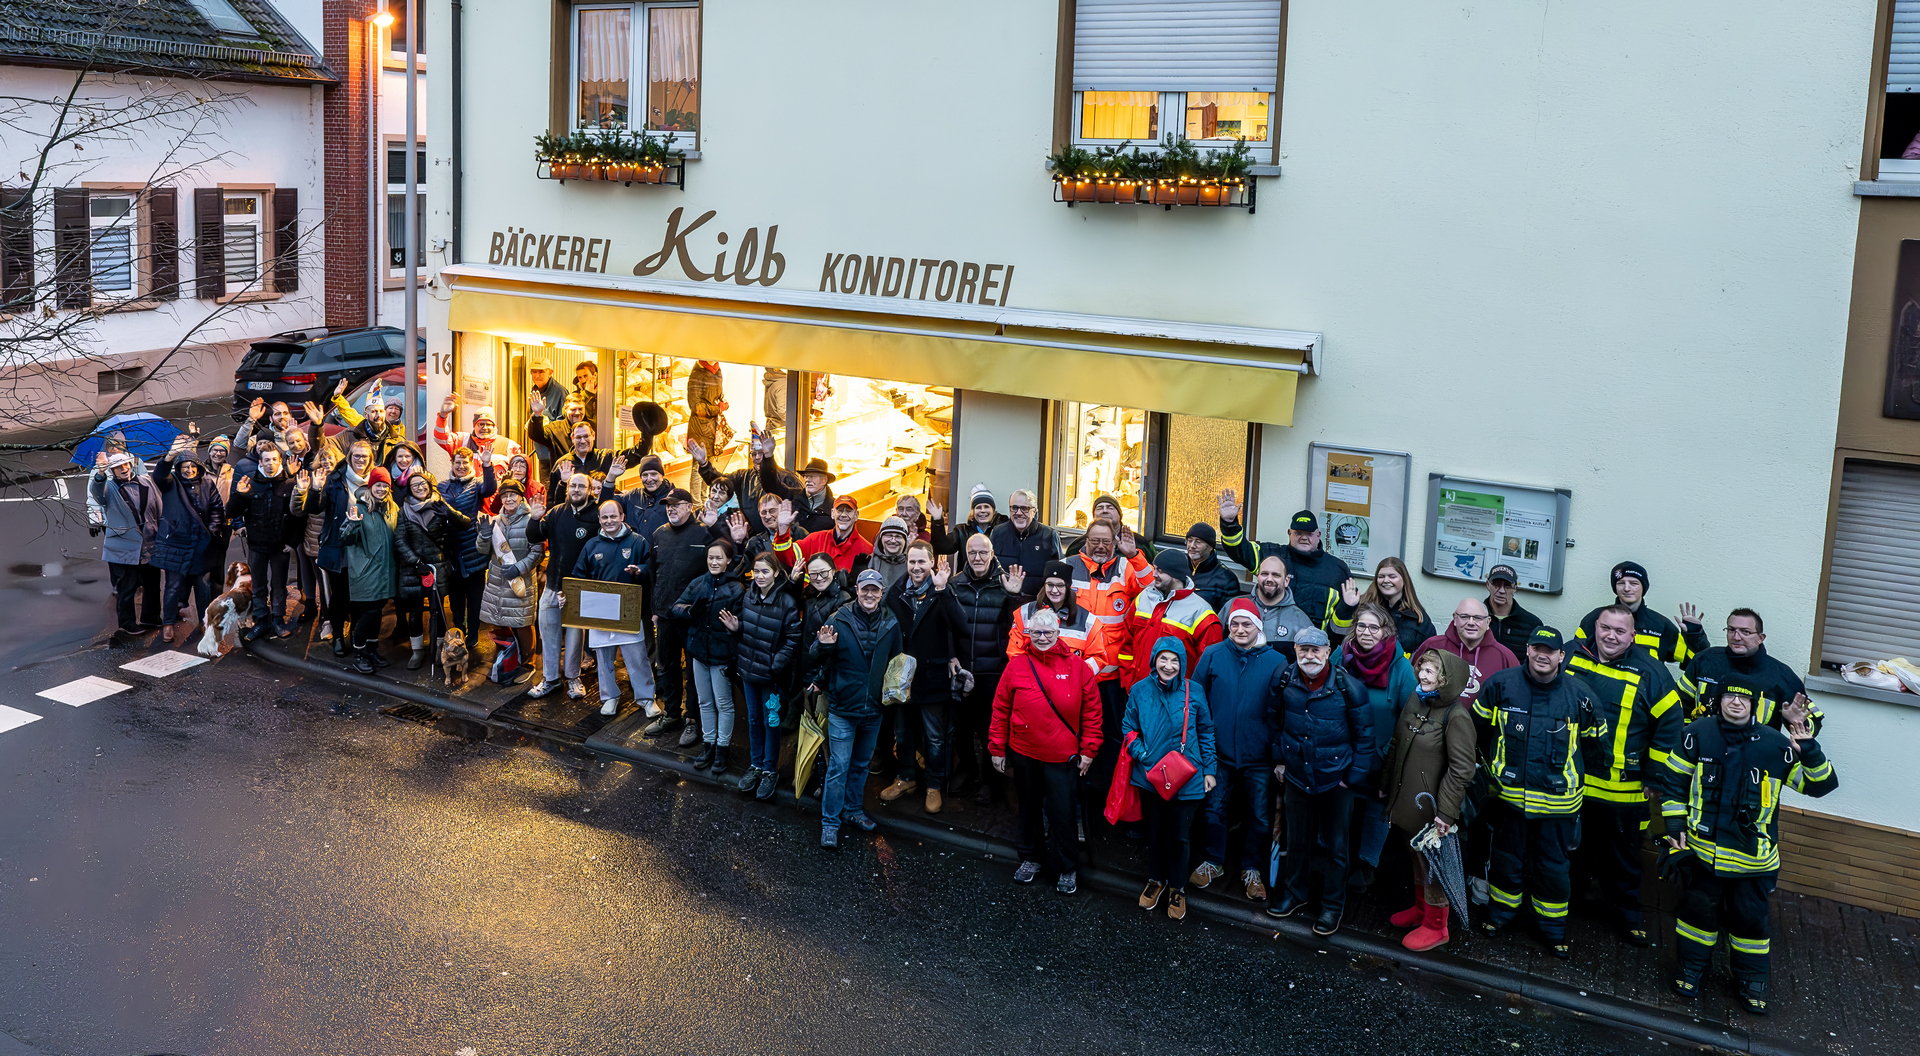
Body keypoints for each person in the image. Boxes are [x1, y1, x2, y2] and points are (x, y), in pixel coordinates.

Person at [1658, 685, 1838, 1013]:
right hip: (1701, 856)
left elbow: (1821, 786)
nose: (1737, 702)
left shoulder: (1776, 744)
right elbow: (1672, 783)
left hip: (1753, 863)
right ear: (1719, 701)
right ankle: (1690, 970)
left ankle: (1752, 981)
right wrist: (1673, 828)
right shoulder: (1696, 734)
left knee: (1750, 925)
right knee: (1695, 919)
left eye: (1744, 698)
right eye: (1730, 696)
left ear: (1754, 705)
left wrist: (1809, 749)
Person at [1472, 627, 1609, 959]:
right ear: (1528, 651)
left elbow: (1595, 749)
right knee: (1506, 859)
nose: (1542, 654)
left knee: (1553, 868)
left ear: (1562, 656)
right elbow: (1477, 734)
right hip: (1509, 799)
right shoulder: (1500, 686)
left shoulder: (1581, 696)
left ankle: (1551, 930)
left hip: (1559, 805)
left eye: (1551, 650)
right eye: (1537, 647)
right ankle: (1500, 916)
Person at [1564, 604, 1684, 946]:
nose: (1611, 636)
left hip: (1625, 789)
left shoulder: (1651, 672)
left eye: (1620, 631)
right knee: (1573, 850)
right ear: (1594, 628)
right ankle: (1564, 903)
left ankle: (1628, 916)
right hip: (1575, 782)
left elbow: (1670, 724)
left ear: (1633, 636)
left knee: (1623, 858)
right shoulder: (1572, 656)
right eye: (1605, 628)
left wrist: (1653, 775)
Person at [1267, 625, 1374, 935]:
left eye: (1316, 650)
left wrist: (1350, 779)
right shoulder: (1284, 679)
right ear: (1296, 652)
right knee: (1297, 842)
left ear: (1329, 652)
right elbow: (1273, 721)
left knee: (1337, 850)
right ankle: (1295, 894)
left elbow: (1365, 738)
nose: (1310, 655)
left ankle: (1331, 907)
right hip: (1297, 777)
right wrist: (1279, 760)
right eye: (1303, 649)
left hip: (1335, 782)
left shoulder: (1349, 687)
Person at [990, 607, 1101, 895]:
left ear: (1058, 633)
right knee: (1027, 808)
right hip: (1024, 753)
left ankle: (1067, 866)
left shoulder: (1078, 668)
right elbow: (1000, 708)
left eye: (1047, 632)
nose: (1041, 637)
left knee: (1062, 812)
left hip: (1061, 756)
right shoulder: (1016, 665)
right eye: (1035, 632)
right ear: (1028, 633)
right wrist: (996, 749)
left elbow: (1092, 712)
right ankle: (1031, 858)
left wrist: (1089, 750)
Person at [1188, 598, 1288, 902]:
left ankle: (1251, 869)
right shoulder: (1213, 654)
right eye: (1235, 624)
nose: (1240, 629)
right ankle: (1214, 861)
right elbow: (1195, 697)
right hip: (1217, 753)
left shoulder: (1277, 662)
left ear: (1258, 627)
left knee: (1259, 816)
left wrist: (1279, 757)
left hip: (1258, 756)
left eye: (1247, 624)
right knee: (1214, 809)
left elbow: (1283, 712)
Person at [1382, 649, 1476, 952]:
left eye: (1430, 671)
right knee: (1416, 859)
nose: (1422, 675)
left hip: (1433, 812)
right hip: (1408, 805)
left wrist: (1446, 813)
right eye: (1421, 669)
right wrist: (1385, 785)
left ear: (1447, 680)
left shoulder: (1457, 716)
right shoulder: (1417, 700)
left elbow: (1462, 769)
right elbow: (1398, 742)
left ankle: (1437, 926)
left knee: (1433, 866)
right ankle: (1422, 910)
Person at [1125, 636, 1218, 922]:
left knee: (1179, 837)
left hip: (1187, 777)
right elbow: (1128, 728)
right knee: (1155, 832)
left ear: (1183, 663)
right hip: (1151, 776)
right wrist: (1142, 753)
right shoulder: (1139, 690)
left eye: (1174, 660)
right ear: (1154, 660)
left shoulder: (1195, 691)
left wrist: (1210, 770)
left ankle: (1177, 888)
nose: (1168, 665)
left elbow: (1206, 732)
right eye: (1163, 659)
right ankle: (1156, 880)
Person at [810, 568, 904, 850]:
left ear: (881, 593)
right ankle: (830, 823)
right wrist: (823, 646)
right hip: (842, 707)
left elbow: (898, 661)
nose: (870, 594)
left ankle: (853, 810)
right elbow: (815, 653)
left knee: (861, 765)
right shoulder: (838, 619)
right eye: (866, 589)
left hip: (874, 709)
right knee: (838, 766)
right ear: (857, 590)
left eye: (875, 590)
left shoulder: (891, 621)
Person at [1330, 603, 1417, 892]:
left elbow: (1409, 717)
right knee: (1336, 809)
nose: (1366, 632)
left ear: (1386, 631)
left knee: (1374, 809)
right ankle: (1330, 859)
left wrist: (1390, 760)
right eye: (1361, 626)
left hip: (1380, 756)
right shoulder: (1340, 655)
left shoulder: (1401, 666)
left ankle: (1366, 866)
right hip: (1340, 751)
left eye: (1374, 627)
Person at [879, 541, 965, 814]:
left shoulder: (942, 589)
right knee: (902, 733)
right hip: (903, 678)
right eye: (912, 562)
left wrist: (941, 590)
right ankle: (906, 778)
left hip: (932, 676)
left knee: (934, 737)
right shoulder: (896, 592)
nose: (916, 567)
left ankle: (933, 785)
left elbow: (960, 625)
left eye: (921, 562)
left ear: (931, 563)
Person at [947, 534, 1027, 804]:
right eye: (972, 553)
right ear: (966, 554)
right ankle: (967, 770)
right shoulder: (955, 583)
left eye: (983, 552)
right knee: (960, 725)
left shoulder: (1004, 584)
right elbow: (945, 624)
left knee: (989, 728)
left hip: (993, 670)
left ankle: (990, 781)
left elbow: (1019, 626)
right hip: (962, 668)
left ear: (993, 554)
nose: (977, 558)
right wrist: (950, 657)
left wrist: (1015, 596)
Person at [566, 499, 656, 715]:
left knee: (637, 658)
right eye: (604, 517)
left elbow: (651, 569)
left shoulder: (638, 541)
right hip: (599, 611)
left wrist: (640, 571)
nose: (609, 521)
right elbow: (579, 576)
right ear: (599, 520)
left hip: (628, 611)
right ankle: (609, 697)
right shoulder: (591, 545)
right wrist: (568, 597)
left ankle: (646, 698)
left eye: (613, 516)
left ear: (622, 517)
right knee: (604, 658)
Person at [1216, 491, 1351, 634]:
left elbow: (1342, 620)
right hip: (1269, 641)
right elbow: (1239, 550)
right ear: (1289, 533)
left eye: (1309, 534)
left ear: (1318, 535)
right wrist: (1230, 524)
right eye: (1298, 533)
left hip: (1311, 650)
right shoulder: (1271, 555)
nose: (1304, 538)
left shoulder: (1337, 570)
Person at [730, 551, 801, 800]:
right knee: (753, 720)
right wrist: (737, 628)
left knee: (771, 723)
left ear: (776, 573)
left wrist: (774, 666)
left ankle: (770, 770)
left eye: (765, 571)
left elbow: (793, 640)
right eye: (756, 571)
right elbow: (749, 629)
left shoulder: (787, 602)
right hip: (749, 672)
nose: (759, 576)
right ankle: (756, 765)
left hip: (771, 678)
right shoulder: (748, 597)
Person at [1682, 609, 1823, 732]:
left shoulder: (1782, 676)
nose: (1736, 637)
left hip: (1754, 757)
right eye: (1731, 630)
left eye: (1745, 632)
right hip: (1704, 751)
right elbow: (1679, 704)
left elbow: (1814, 725)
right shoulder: (1705, 660)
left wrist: (1797, 721)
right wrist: (1688, 735)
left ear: (1761, 638)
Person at [672, 540, 746, 773]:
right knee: (705, 702)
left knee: (724, 704)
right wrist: (690, 610)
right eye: (710, 558)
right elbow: (675, 608)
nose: (714, 562)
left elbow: (743, 623)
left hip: (722, 656)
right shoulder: (698, 583)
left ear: (728, 561)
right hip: (698, 653)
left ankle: (722, 750)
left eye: (718, 558)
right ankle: (709, 746)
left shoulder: (737, 589)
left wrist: (737, 626)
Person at [647, 487, 713, 743]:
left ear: (689, 506)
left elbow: (716, 569)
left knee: (694, 672)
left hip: (692, 617)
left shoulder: (703, 533)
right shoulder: (658, 534)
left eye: (676, 504)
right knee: (667, 667)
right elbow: (654, 573)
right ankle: (671, 714)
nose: (670, 508)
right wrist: (654, 609)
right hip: (664, 616)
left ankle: (692, 720)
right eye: (667, 505)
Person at [527, 472, 601, 701]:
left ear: (589, 490)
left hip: (578, 589)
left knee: (575, 638)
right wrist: (534, 518)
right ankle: (550, 679)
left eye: (581, 486)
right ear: (567, 488)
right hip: (552, 585)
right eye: (573, 485)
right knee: (548, 634)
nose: (576, 490)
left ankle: (573, 677)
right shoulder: (557, 511)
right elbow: (534, 536)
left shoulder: (597, 515)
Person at [1574, 560, 1709, 679]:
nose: (1627, 588)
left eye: (1634, 583)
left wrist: (1695, 635)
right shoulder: (1595, 619)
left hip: (1644, 701)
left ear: (1643, 587)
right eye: (1621, 583)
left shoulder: (1660, 626)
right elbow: (1575, 657)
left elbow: (1696, 663)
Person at [394, 471, 470, 670]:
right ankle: (417, 651)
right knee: (415, 612)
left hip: (437, 567)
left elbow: (465, 523)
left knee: (438, 611)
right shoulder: (404, 511)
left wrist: (448, 512)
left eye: (423, 483)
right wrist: (416, 562)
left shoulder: (439, 504)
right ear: (409, 490)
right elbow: (400, 540)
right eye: (415, 485)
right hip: (414, 569)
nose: (420, 487)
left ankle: (438, 650)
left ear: (429, 485)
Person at [151, 438, 224, 645]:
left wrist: (213, 528)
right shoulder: (170, 483)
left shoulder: (207, 483)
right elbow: (159, 475)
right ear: (178, 468)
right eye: (184, 467)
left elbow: (217, 507)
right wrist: (169, 456)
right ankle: (168, 623)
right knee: (173, 586)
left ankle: (204, 621)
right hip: (176, 544)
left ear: (198, 467)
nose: (189, 470)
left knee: (203, 586)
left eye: (192, 466)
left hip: (201, 544)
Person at [1119, 547, 1224, 690]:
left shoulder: (1200, 612)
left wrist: (1188, 697)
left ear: (1176, 575)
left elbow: (1207, 665)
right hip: (1138, 691)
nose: (1154, 574)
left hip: (1176, 700)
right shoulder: (1143, 598)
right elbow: (1127, 643)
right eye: (1154, 569)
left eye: (1160, 571)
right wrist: (1128, 681)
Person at [475, 478, 545, 678]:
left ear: (520, 496)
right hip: (497, 581)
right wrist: (484, 535)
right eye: (504, 495)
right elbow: (482, 550)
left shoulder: (531, 519)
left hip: (521, 580)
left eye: (512, 494)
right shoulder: (494, 521)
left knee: (522, 623)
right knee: (500, 622)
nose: (508, 499)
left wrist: (518, 568)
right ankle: (505, 658)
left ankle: (527, 663)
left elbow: (537, 552)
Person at [310, 440, 374, 653]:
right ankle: (338, 636)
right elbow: (316, 507)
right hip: (339, 547)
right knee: (339, 596)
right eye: (356, 456)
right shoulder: (335, 479)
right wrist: (314, 490)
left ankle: (356, 635)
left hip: (364, 547)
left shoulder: (375, 481)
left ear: (370, 459)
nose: (360, 460)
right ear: (349, 457)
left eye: (365, 456)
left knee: (359, 595)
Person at [90, 451, 162, 635]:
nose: (124, 469)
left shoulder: (146, 482)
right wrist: (100, 473)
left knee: (152, 583)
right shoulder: (109, 487)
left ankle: (151, 618)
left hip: (149, 542)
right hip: (123, 545)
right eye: (118, 467)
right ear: (112, 470)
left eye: (126, 465)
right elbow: (97, 493)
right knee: (127, 586)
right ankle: (128, 623)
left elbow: (158, 507)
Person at [232, 445, 300, 641]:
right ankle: (261, 620)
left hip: (281, 545)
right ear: (260, 462)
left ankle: (278, 619)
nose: (271, 464)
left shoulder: (289, 483)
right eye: (267, 460)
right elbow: (233, 511)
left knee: (279, 585)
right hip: (257, 544)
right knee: (259, 585)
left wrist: (292, 542)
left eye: (274, 460)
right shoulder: (250, 482)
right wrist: (239, 495)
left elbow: (297, 516)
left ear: (281, 461)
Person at [338, 467, 399, 674]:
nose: (381, 489)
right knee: (369, 613)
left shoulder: (392, 509)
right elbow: (345, 539)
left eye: (385, 486)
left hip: (386, 571)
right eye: (377, 485)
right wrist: (353, 525)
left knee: (377, 612)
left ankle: (372, 650)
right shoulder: (359, 509)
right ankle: (359, 653)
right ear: (370, 487)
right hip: (366, 572)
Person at [437, 447, 497, 648]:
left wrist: (487, 465)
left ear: (471, 464)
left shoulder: (477, 484)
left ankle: (473, 632)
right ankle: (459, 630)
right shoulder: (442, 486)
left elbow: (490, 488)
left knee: (475, 596)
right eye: (458, 463)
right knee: (455, 597)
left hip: (473, 547)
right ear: (452, 464)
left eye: (465, 463)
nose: (461, 466)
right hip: (450, 547)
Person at [689, 430, 797, 535]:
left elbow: (799, 505)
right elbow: (721, 484)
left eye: (761, 453)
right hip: (752, 536)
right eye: (754, 454)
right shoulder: (743, 476)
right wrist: (704, 464)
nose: (757, 458)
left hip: (783, 534)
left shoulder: (787, 477)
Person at [1415, 597, 1519, 706]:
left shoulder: (1505, 657)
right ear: (1454, 619)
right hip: (1435, 721)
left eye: (1478, 618)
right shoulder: (1433, 646)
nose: (1471, 622)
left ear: (1488, 622)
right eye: (1464, 617)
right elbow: (1412, 684)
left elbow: (1515, 699)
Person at [1006, 560, 1098, 663]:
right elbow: (1015, 652)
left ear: (1068, 587)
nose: (1054, 590)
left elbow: (1097, 658)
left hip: (1071, 678)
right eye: (1050, 585)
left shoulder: (1087, 620)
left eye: (1060, 586)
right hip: (1033, 678)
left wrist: (1076, 676)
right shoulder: (1024, 613)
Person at [1243, 554, 1317, 663]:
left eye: (1276, 575)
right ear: (1257, 576)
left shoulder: (1301, 621)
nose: (1269, 579)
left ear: (1286, 581)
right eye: (1264, 574)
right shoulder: (1236, 607)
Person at [1354, 557, 1434, 657]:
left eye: (1392, 576)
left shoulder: (1418, 617)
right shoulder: (1363, 607)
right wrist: (1347, 607)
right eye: (1381, 576)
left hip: (1400, 671)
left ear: (1404, 580)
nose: (1386, 580)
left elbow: (1430, 653)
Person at [780, 495, 872, 574]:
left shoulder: (867, 550)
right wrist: (782, 529)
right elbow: (787, 556)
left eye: (848, 511)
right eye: (839, 510)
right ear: (832, 513)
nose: (843, 515)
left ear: (856, 515)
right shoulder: (814, 540)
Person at [328, 377, 409, 466]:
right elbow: (349, 413)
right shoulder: (363, 426)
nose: (393, 411)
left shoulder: (400, 432)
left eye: (397, 409)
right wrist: (338, 398)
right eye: (390, 408)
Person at [989, 488, 1060, 582]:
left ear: (1034, 512)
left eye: (1024, 508)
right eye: (1014, 508)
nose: (1018, 513)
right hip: (1003, 595)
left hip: (1036, 595)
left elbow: (1059, 573)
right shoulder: (997, 533)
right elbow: (989, 568)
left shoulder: (1049, 535)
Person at [1064, 494, 1155, 561]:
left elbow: (1153, 575)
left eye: (1110, 507)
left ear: (1120, 515)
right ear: (1094, 516)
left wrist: (1133, 555)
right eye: (1100, 508)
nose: (1104, 511)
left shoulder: (1141, 544)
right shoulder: (1079, 545)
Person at [1178, 523, 1244, 612]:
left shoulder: (1226, 578)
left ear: (1210, 547)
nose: (1192, 546)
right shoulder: (1178, 567)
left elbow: (1226, 616)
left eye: (1198, 541)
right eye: (1190, 540)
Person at [433, 396, 521, 461]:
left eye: (489, 424)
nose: (485, 427)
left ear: (494, 427)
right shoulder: (462, 441)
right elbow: (441, 438)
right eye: (481, 424)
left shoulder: (508, 446)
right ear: (474, 426)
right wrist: (443, 415)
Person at [1483, 565, 1543, 657]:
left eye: (1507, 586)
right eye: (1496, 584)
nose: (1501, 590)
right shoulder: (1474, 618)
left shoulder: (1531, 624)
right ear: (1488, 585)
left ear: (1515, 588)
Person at [685, 360, 726, 492]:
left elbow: (717, 396)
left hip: (713, 426)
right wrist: (717, 408)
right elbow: (695, 406)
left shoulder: (717, 370)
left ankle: (705, 499)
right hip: (699, 427)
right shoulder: (698, 372)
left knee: (710, 465)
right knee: (698, 466)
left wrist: (722, 403)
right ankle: (696, 504)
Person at [930, 484, 1004, 557]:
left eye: (986, 507)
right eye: (978, 507)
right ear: (973, 511)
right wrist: (937, 521)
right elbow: (941, 547)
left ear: (993, 510)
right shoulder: (961, 532)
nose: (982, 510)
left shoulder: (1003, 531)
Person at [765, 457, 836, 533]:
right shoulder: (793, 496)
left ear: (824, 480)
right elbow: (771, 485)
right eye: (806, 476)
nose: (808, 479)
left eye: (813, 476)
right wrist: (768, 456)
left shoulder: (834, 506)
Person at [867, 515, 912, 591]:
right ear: (881, 538)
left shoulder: (912, 563)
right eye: (889, 535)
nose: (893, 540)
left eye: (898, 536)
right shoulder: (869, 561)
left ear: (905, 541)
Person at [571, 360, 599, 425]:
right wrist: (587, 394)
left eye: (585, 376)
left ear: (595, 375)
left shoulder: (605, 393)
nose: (583, 380)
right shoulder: (575, 395)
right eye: (580, 377)